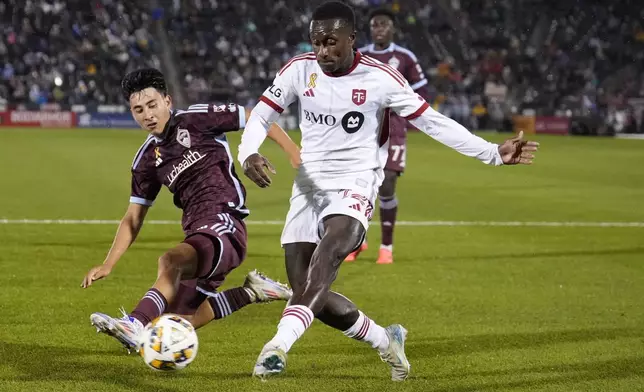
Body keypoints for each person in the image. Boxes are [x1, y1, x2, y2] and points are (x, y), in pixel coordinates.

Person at [238, 1, 538, 381]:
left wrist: (492, 153)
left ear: (352, 39)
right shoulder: (299, 71)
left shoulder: (381, 79)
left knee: (328, 256)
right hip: (310, 185)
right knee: (305, 289)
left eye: (331, 42)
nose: (323, 51)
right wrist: (247, 152)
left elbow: (432, 122)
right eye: (316, 42)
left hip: (357, 180)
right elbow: (262, 114)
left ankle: (277, 345)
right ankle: (386, 339)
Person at [81, 68, 301, 352]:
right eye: (138, 110)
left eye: (152, 105)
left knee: (170, 261)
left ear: (167, 101)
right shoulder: (147, 160)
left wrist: (291, 150)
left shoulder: (196, 119)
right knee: (176, 325)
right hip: (199, 233)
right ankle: (251, 291)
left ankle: (134, 323)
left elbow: (257, 115)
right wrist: (108, 263)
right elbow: (133, 217)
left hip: (225, 222)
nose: (148, 114)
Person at [349, 8, 432, 264]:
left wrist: (405, 109)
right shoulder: (360, 56)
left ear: (393, 28)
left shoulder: (404, 57)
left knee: (387, 185)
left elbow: (422, 89)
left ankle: (386, 246)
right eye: (375, 25)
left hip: (394, 130)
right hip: (363, 130)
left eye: (384, 25)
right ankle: (357, 241)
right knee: (358, 188)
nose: (379, 29)